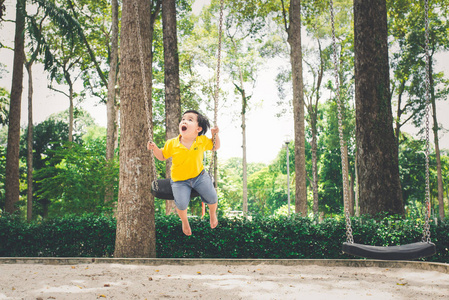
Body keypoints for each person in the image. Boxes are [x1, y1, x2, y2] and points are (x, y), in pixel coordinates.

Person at [147, 110, 220, 236]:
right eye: (183, 119)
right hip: (179, 181)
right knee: (180, 204)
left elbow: (215, 146)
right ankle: (185, 221)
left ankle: (212, 214)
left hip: (199, 177)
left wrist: (215, 135)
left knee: (213, 197)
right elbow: (162, 156)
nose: (184, 121)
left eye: (190, 119)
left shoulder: (201, 140)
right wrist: (154, 149)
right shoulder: (172, 143)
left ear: (198, 128)